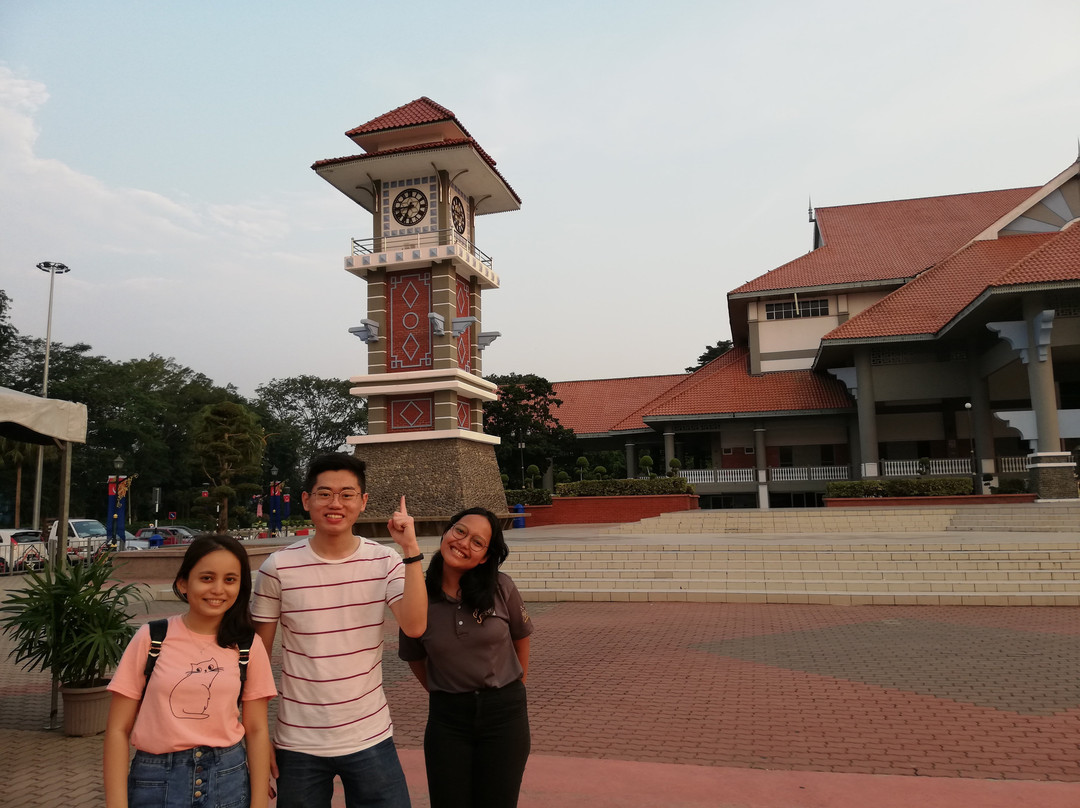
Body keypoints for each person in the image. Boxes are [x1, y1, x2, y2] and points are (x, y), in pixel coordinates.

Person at [251, 453, 426, 808]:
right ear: (306, 500)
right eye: (324, 493)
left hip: (370, 735)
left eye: (347, 494)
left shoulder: (384, 560)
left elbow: (415, 625)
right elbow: (256, 659)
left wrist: (410, 549)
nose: (335, 504)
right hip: (298, 742)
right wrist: (255, 735)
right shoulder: (278, 568)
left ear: (362, 502)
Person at [104, 534, 276, 808]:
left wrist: (259, 804)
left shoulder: (247, 645)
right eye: (207, 578)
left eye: (230, 580)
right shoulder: (152, 638)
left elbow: (256, 730)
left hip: (227, 779)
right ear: (184, 583)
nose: (218, 589)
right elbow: (117, 729)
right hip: (156, 780)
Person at [398, 507, 534, 808]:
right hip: (448, 720)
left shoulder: (501, 587)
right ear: (447, 532)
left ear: (485, 556)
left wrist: (517, 685)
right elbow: (414, 657)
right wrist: (440, 687)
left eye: (477, 542)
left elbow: (520, 638)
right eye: (460, 531)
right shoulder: (417, 595)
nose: (463, 543)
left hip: (504, 716)